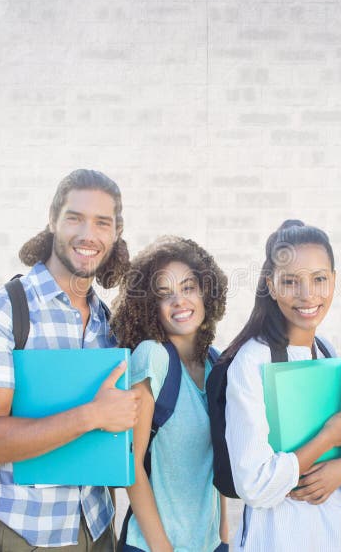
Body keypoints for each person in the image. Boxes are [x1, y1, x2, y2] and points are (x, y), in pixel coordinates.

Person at [0, 169, 141, 551]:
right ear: (52, 220)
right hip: (26, 531)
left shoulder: (107, 322)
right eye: (75, 218)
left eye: (101, 222)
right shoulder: (2, 311)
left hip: (97, 524)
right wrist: (93, 415)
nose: (87, 234)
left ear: (116, 232)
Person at [221, 219, 341, 552]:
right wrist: (328, 437)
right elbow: (253, 484)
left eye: (319, 279)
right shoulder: (253, 360)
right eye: (291, 282)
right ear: (270, 285)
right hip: (277, 537)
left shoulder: (326, 351)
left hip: (335, 532)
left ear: (334, 281)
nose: (307, 295)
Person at [111, 236, 229, 552]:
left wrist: (224, 537)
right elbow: (130, 465)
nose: (179, 301)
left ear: (206, 292)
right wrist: (163, 548)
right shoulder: (153, 358)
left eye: (188, 288)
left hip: (210, 544)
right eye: (165, 294)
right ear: (151, 307)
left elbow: (216, 461)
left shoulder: (215, 362)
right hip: (155, 545)